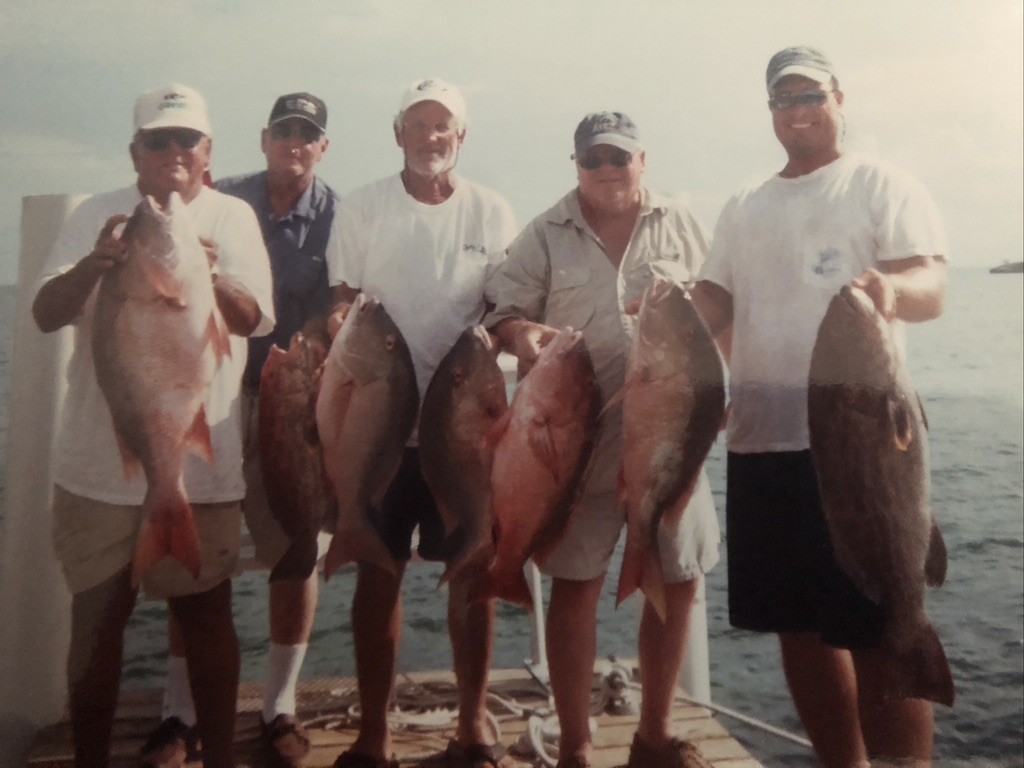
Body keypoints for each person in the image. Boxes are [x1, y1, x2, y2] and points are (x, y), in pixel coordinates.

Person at [690, 47, 949, 768]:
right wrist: (665, 322)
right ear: (769, 111)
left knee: (881, 623)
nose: (798, 110)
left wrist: (893, 292)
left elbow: (931, 282)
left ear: (840, 97)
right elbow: (713, 298)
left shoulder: (880, 183)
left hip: (866, 445)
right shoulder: (745, 204)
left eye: (810, 94)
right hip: (761, 441)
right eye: (783, 99)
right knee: (796, 628)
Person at [31, 84, 274, 768]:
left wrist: (216, 276)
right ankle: (89, 760)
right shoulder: (93, 217)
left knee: (206, 617)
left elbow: (252, 319)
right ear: (134, 151)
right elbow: (47, 314)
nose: (173, 152)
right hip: (96, 468)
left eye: (186, 140)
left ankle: (221, 757)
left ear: (209, 152)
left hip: (200, 467)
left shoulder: (232, 218)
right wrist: (94, 266)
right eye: (157, 140)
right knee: (97, 623)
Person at [484, 112, 721, 768]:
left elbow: (720, 313)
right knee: (576, 582)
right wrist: (520, 337)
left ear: (644, 160)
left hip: (672, 432)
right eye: (595, 161)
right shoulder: (545, 232)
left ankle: (655, 732)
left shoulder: (682, 223)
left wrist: (720, 400)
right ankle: (577, 744)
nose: (608, 171)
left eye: (620, 158)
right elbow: (502, 309)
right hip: (576, 437)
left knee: (679, 579)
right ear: (577, 165)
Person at [325, 78, 518, 768]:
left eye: (444, 126)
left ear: (460, 136)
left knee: (472, 567)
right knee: (379, 575)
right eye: (418, 124)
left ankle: (472, 721)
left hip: (463, 433)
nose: (430, 137)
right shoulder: (364, 207)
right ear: (397, 132)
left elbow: (505, 308)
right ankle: (373, 733)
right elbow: (342, 300)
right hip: (378, 431)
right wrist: (339, 323)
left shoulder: (492, 212)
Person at [158, 91, 339, 768]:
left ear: (324, 148)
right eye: (285, 131)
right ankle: (179, 714)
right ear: (262, 139)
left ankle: (279, 707)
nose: (295, 142)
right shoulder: (219, 201)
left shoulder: (339, 219)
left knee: (295, 548)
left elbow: (340, 302)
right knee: (196, 551)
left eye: (309, 134)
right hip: (210, 394)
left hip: (291, 405)